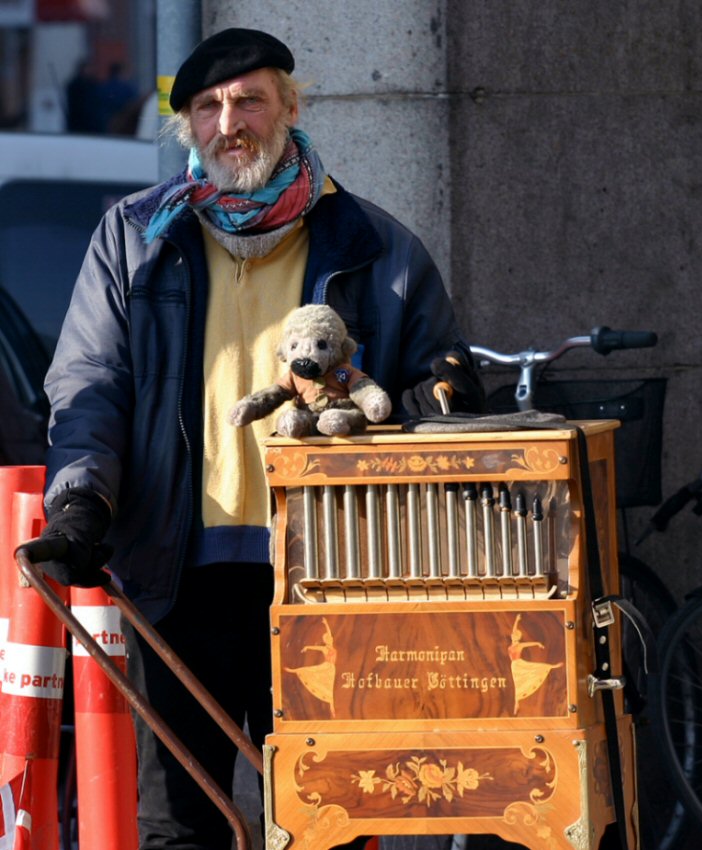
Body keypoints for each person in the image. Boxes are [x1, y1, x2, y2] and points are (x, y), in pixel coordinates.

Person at [32, 27, 484, 850]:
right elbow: (91, 383)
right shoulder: (136, 236)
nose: (228, 122)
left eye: (249, 100)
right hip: (175, 569)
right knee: (180, 824)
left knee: (327, 819)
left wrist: (444, 390)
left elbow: (430, 377)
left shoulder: (374, 243)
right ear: (188, 128)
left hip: (325, 576)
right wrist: (81, 504)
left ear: (289, 108)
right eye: (208, 106)